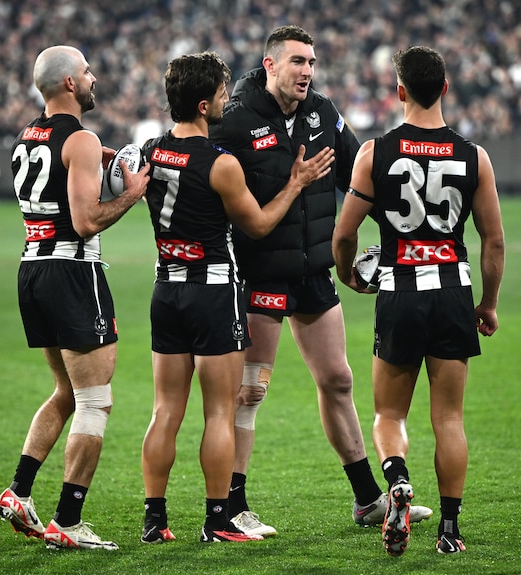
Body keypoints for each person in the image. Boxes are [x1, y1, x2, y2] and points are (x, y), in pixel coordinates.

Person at [209, 25, 432, 537]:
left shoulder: (322, 114)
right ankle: (234, 504)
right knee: (251, 391)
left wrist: (405, 228)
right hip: (259, 274)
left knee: (338, 379)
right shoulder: (237, 121)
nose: (307, 70)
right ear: (270, 66)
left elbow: (360, 177)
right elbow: (200, 172)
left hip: (312, 272)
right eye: (297, 62)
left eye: (311, 62)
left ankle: (367, 501)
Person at [139, 51, 335, 544]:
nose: (229, 99)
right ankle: (217, 518)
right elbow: (261, 223)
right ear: (204, 105)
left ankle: (155, 520)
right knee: (220, 412)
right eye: (223, 93)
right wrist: (295, 183)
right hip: (212, 289)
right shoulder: (222, 165)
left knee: (165, 411)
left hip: (166, 287)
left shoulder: (150, 151)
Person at [332, 46, 505, 556]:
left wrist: (350, 276)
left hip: (400, 291)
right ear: (445, 90)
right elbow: (493, 242)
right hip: (453, 291)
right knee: (449, 419)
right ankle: (450, 531)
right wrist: (488, 304)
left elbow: (344, 235)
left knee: (389, 414)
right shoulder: (474, 156)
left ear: (400, 90)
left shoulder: (375, 153)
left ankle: (398, 480)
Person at [0, 45, 150, 551]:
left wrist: (88, 159)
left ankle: (18, 491)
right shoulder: (81, 137)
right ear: (68, 85)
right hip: (73, 270)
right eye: (87, 71)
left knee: (66, 392)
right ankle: (68, 519)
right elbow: (86, 222)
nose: (93, 77)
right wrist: (132, 193)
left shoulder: (26, 136)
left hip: (33, 269)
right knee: (95, 400)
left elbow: (58, 184)